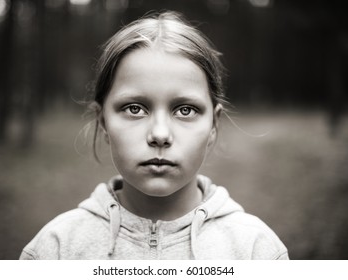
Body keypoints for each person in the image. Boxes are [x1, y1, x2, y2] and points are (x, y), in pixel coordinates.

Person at [20, 11, 288, 260]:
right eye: (135, 108)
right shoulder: (55, 249)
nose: (160, 134)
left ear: (214, 124)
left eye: (185, 110)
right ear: (103, 122)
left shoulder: (257, 251)